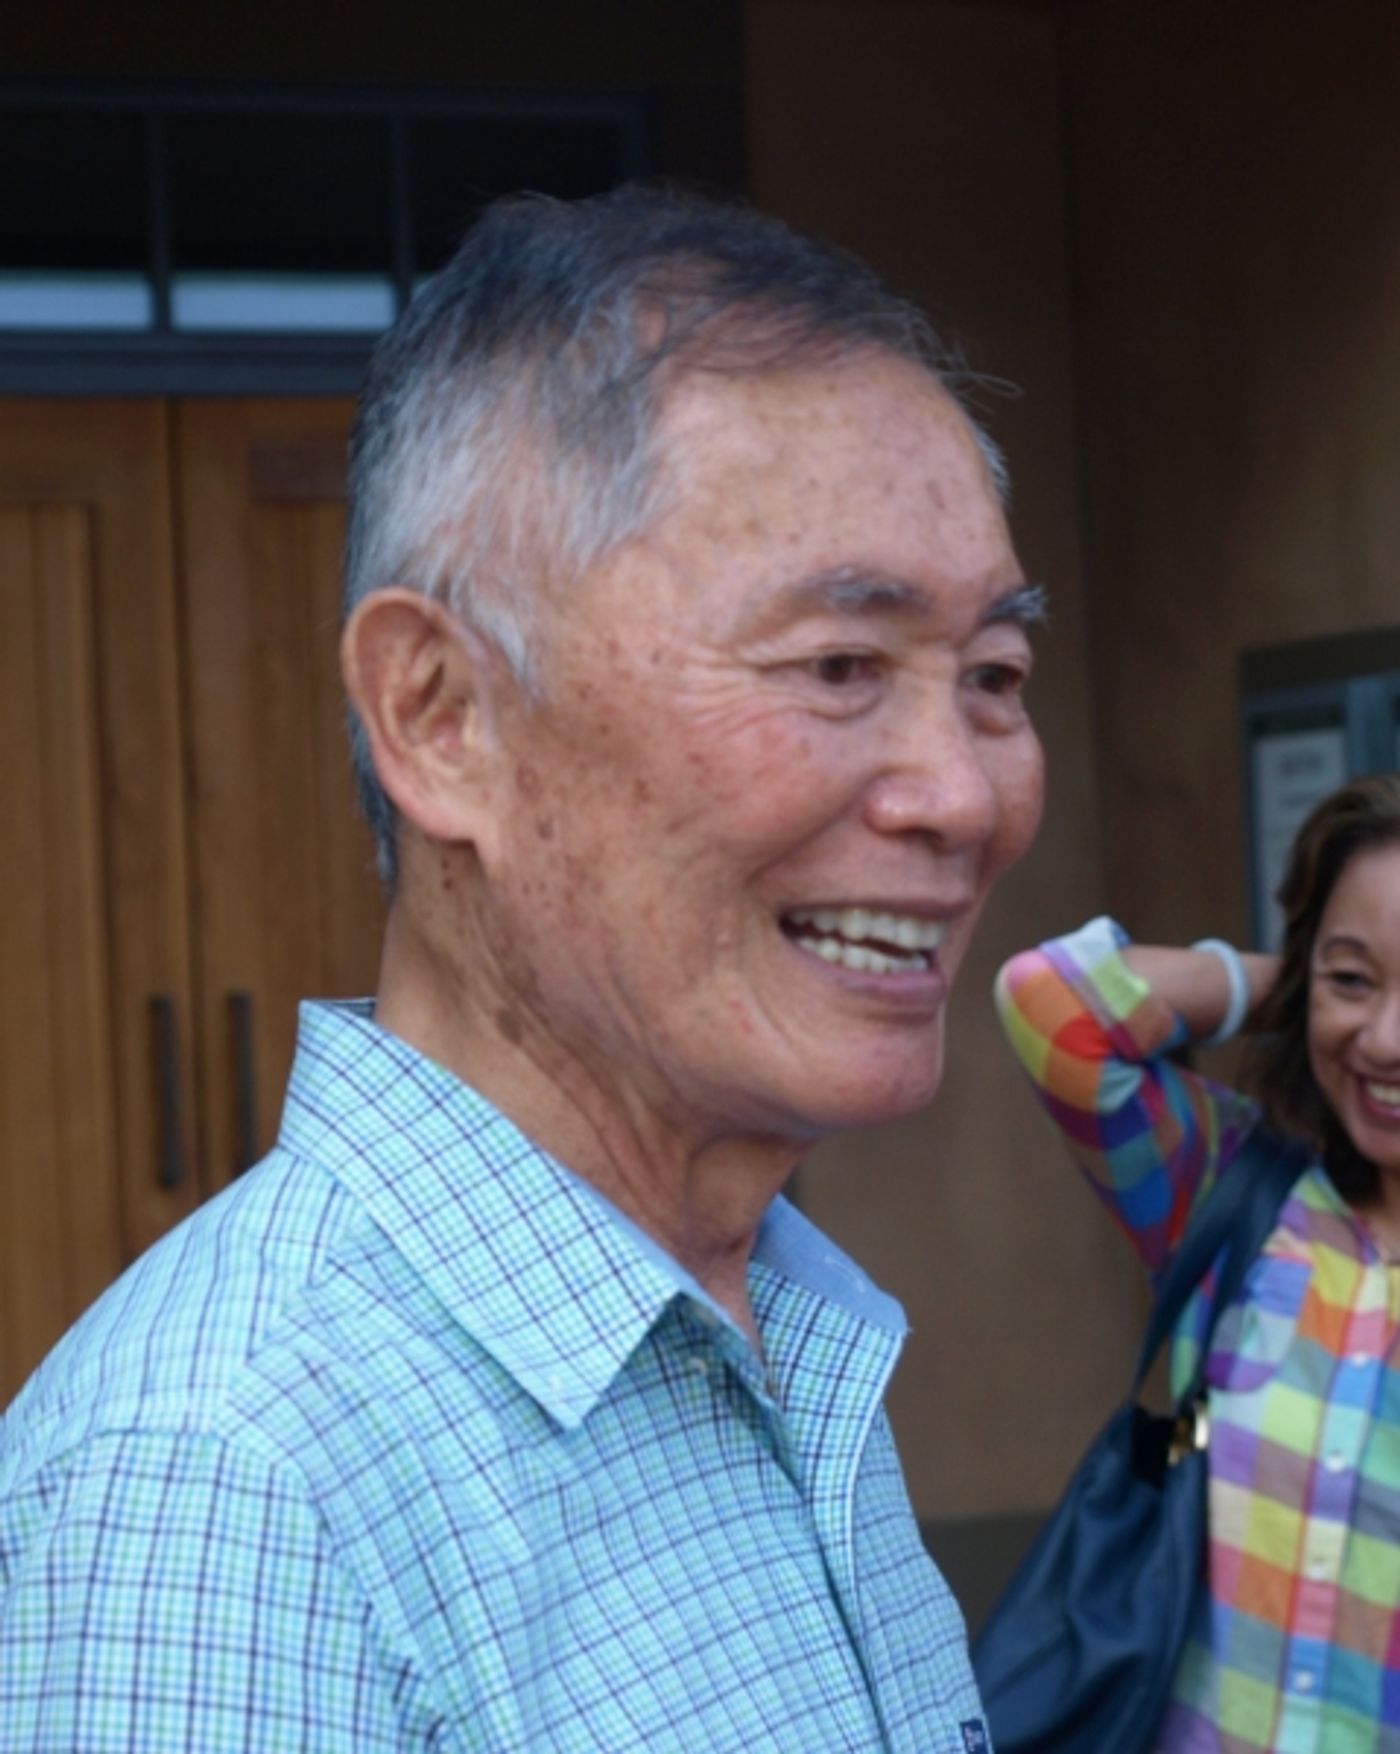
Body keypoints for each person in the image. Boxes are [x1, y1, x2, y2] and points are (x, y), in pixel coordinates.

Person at [0, 186, 1045, 1751]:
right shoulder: (228, 1487)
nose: (963, 793)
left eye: (993, 675)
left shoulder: (772, 1317)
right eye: (838, 666)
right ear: (440, 717)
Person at [995, 771, 1400, 1753]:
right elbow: (1050, 1004)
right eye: (1355, 982)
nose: (1384, 1040)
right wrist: (1293, 983)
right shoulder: (1228, 1190)